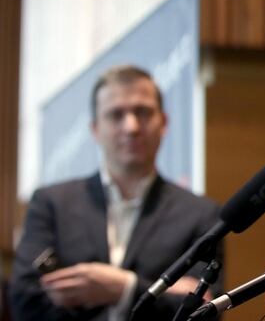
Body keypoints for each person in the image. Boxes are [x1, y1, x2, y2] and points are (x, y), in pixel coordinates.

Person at [9, 65, 222, 320]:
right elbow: (25, 300)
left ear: (163, 123)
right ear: (95, 129)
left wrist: (124, 288)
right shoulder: (51, 204)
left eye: (142, 112)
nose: (131, 126)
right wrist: (159, 292)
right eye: (116, 114)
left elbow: (206, 311)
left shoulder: (201, 214)